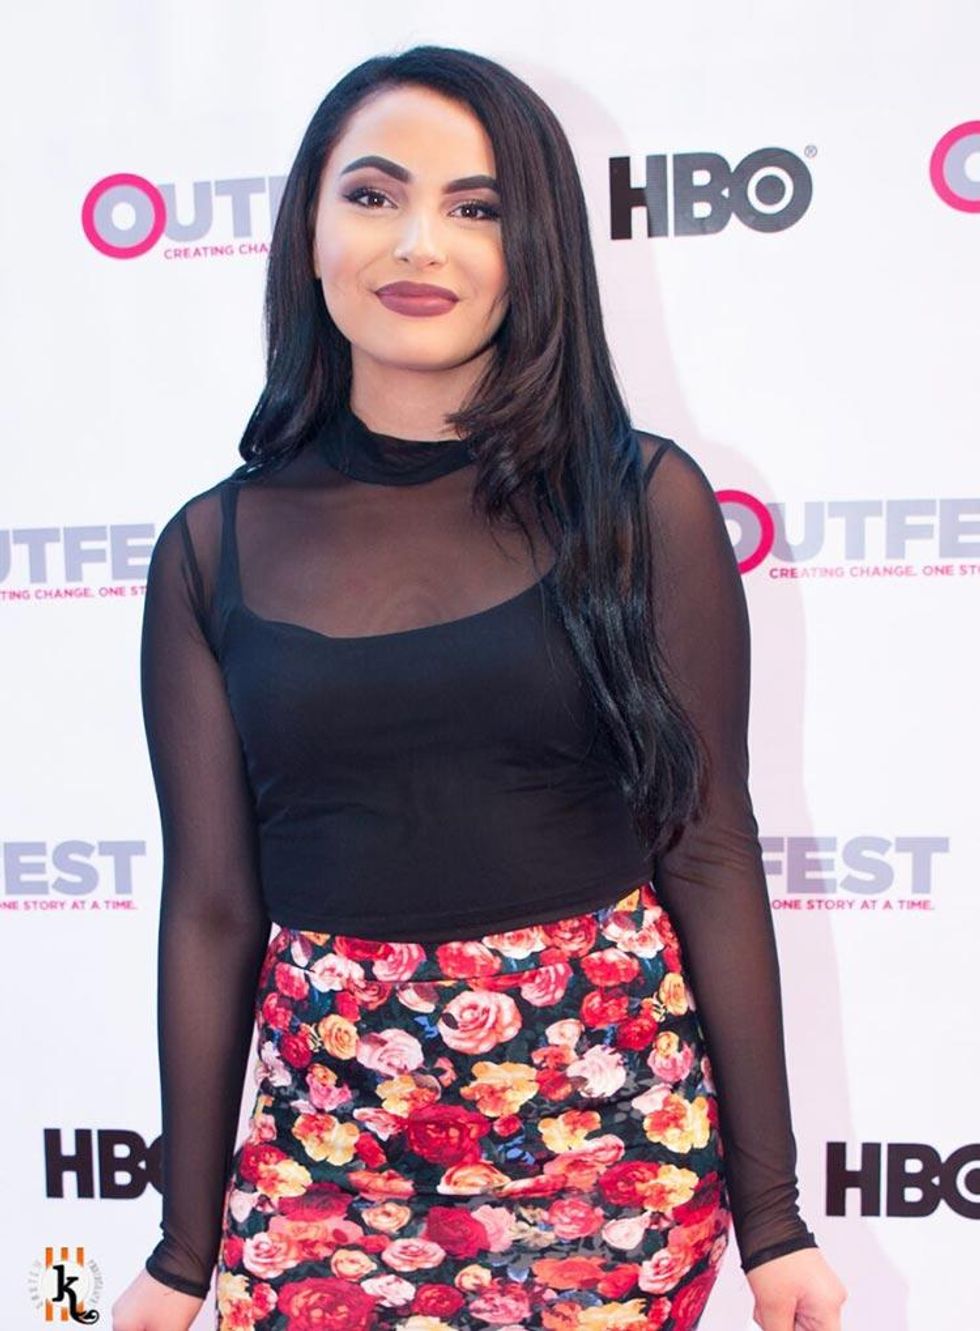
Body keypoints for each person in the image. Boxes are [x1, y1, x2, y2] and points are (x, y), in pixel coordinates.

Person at [112, 45, 847, 1331]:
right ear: (308, 230)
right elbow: (215, 907)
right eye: (373, 195)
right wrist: (183, 1252)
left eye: (475, 207)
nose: (418, 244)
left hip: (609, 1159)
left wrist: (774, 1220)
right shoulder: (208, 549)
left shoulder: (641, 505)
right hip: (321, 1165)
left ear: (534, 249)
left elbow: (708, 846)